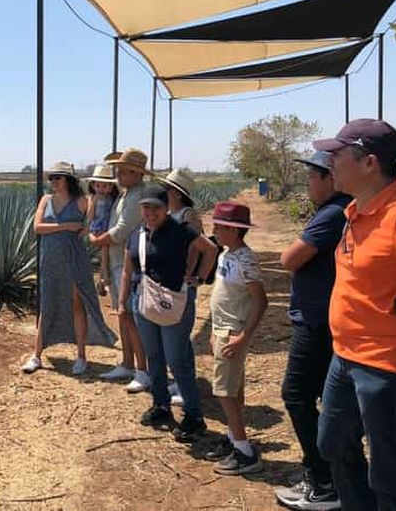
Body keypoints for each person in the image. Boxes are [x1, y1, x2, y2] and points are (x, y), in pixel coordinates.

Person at [312, 119, 396, 511]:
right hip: (346, 356)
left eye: (336, 154)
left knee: (392, 476)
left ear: (369, 162)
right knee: (333, 445)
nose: (328, 161)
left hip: (388, 367)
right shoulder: (356, 211)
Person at [274, 151, 349, 511]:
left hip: (317, 321)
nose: (307, 183)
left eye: (311, 176)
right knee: (324, 398)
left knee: (297, 395)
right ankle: (333, 476)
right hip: (324, 318)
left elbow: (289, 259)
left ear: (329, 178)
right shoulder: (338, 210)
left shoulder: (334, 213)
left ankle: (323, 481)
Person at [123, 183, 218, 441]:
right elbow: (127, 268)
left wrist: (198, 278)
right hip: (143, 302)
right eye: (146, 207)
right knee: (154, 356)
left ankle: (194, 415)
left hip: (174, 303)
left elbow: (210, 249)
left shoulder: (181, 231)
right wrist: (122, 302)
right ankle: (161, 405)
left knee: (178, 359)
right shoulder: (137, 233)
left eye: (156, 207)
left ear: (166, 208)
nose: (150, 212)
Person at [22, 162, 117, 376]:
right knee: (47, 304)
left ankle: (81, 356)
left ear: (68, 180)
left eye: (58, 177)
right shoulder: (45, 200)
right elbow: (37, 228)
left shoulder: (83, 202)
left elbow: (95, 225)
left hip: (74, 259)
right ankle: (36, 354)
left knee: (77, 305)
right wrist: (66, 226)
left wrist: (86, 232)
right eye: (52, 178)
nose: (53, 181)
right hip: (50, 260)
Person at [204, 201, 268, 474]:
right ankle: (234, 439)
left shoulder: (245, 259)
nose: (214, 230)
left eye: (218, 226)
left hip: (232, 333)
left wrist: (242, 336)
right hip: (221, 330)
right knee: (232, 390)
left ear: (233, 230)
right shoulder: (225, 255)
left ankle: (244, 451)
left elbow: (260, 301)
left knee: (225, 393)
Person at [88, 149, 151, 393]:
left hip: (129, 263)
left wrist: (97, 240)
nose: (118, 174)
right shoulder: (128, 194)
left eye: (123, 171)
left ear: (136, 174)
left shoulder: (137, 196)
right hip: (118, 261)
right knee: (123, 314)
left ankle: (141, 370)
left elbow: (121, 230)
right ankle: (127, 363)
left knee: (131, 317)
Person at [155, 168, 204, 405]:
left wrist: (188, 273)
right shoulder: (170, 213)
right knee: (177, 339)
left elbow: (196, 247)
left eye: (166, 189)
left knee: (180, 336)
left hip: (181, 284)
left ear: (176, 192)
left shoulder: (187, 215)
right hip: (167, 283)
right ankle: (182, 381)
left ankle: (186, 386)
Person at [84, 165, 119, 297]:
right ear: (93, 186)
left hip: (109, 226)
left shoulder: (113, 199)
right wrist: (94, 201)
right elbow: (90, 216)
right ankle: (104, 276)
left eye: (104, 186)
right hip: (98, 228)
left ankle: (103, 278)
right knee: (104, 251)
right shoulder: (92, 198)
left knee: (107, 253)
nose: (101, 189)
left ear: (110, 187)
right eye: (98, 186)